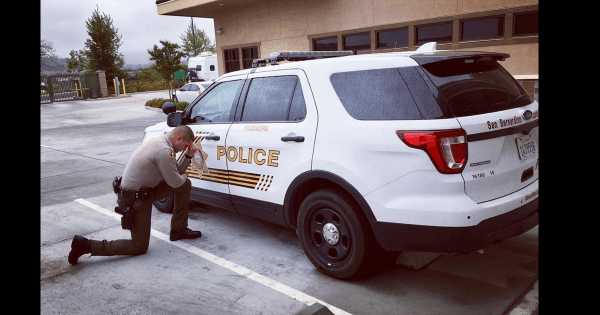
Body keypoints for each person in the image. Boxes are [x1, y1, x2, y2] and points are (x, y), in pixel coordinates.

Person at [68, 125, 202, 265]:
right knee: (139, 246)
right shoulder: (164, 151)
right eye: (185, 146)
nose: (184, 149)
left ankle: (178, 229)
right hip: (133, 199)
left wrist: (188, 156)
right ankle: (85, 245)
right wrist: (185, 175)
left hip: (143, 192)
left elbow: (176, 175)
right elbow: (175, 181)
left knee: (184, 185)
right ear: (178, 138)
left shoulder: (161, 142)